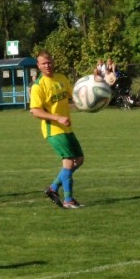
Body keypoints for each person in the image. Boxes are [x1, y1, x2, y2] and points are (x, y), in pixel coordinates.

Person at [30, 51, 85, 209]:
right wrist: (57, 118)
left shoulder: (61, 78)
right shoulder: (38, 86)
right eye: (43, 63)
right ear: (38, 66)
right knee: (68, 161)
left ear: (53, 62)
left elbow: (75, 96)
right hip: (53, 130)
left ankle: (53, 188)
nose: (47, 66)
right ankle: (68, 200)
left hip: (67, 128)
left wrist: (94, 87)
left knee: (79, 159)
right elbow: (35, 111)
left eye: (49, 62)